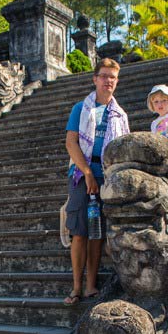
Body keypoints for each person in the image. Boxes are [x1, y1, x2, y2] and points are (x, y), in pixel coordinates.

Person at [63, 58, 130, 305]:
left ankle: (91, 284)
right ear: (95, 79)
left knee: (97, 233)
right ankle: (76, 286)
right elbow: (71, 143)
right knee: (79, 232)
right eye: (104, 76)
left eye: (112, 77)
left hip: (108, 176)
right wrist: (88, 173)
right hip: (82, 175)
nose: (108, 81)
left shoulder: (120, 115)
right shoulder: (81, 108)